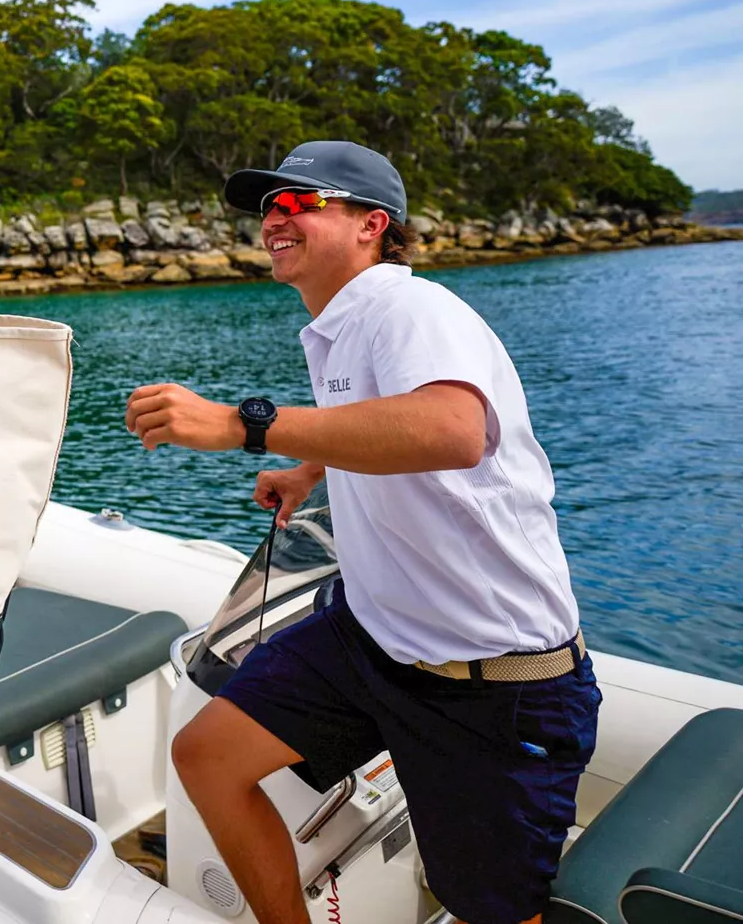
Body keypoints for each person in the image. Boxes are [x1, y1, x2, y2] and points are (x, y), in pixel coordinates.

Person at [124, 141, 598, 924]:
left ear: (372, 224)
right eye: (267, 207)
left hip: (490, 682)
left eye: (297, 202)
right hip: (374, 637)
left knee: (492, 910)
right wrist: (310, 468)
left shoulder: (407, 308)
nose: (273, 220)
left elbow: (452, 429)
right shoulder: (340, 326)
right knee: (208, 756)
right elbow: (376, 415)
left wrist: (246, 425)